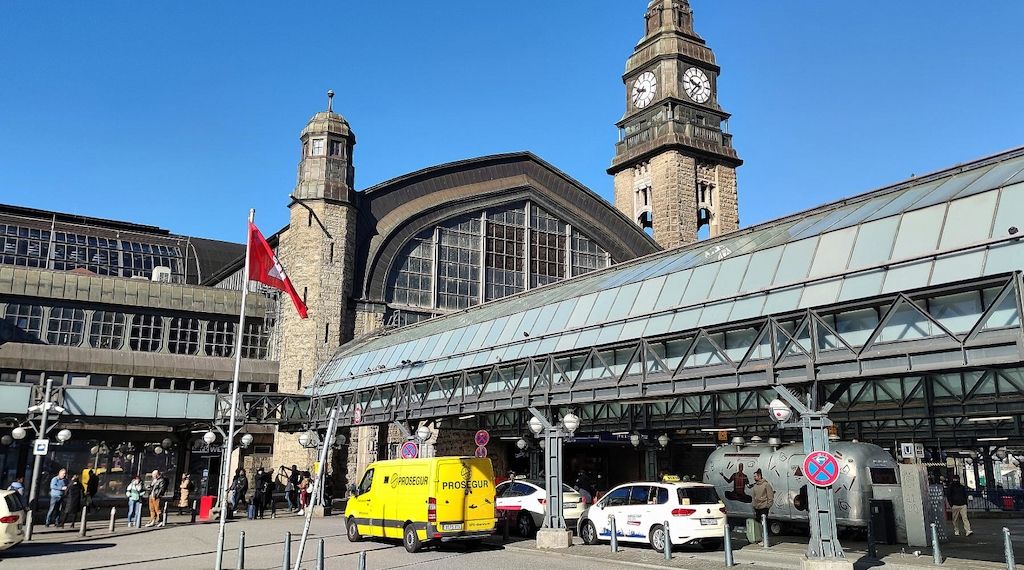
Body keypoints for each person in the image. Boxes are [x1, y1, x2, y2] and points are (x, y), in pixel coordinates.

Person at [750, 469, 775, 543]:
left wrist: (768, 506)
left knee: (764, 523)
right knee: (759, 524)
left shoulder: (766, 485)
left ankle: (765, 540)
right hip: (757, 507)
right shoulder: (755, 486)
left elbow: (770, 496)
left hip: (764, 507)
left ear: (759, 476)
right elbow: (753, 496)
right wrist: (754, 505)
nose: (754, 478)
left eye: (755, 476)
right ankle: (760, 538)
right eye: (753, 476)